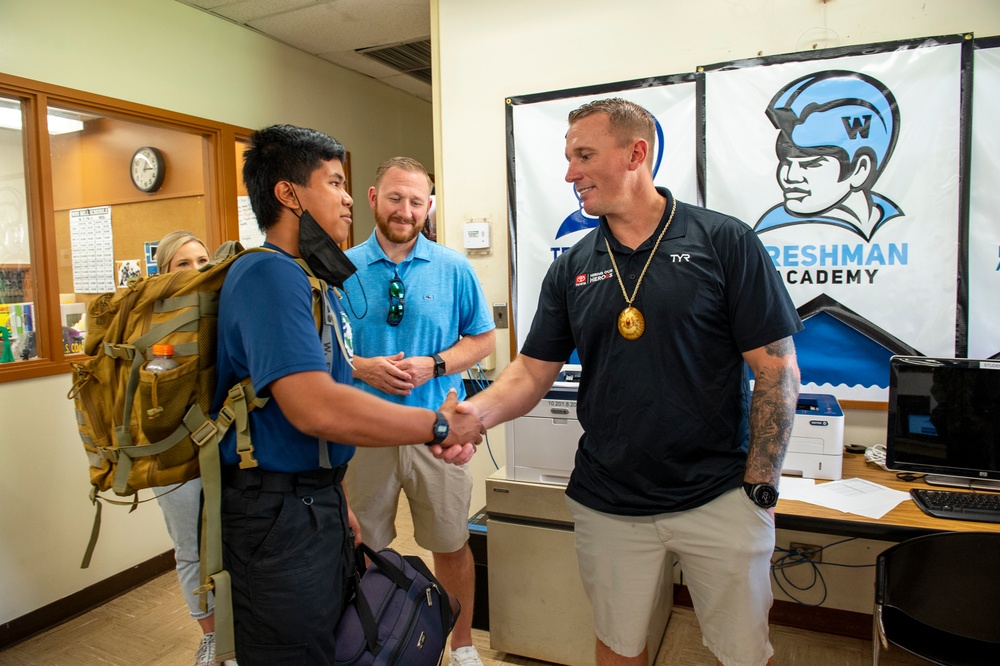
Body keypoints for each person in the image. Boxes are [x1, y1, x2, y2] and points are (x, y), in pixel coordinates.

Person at [458, 98, 802, 666]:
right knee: (618, 645)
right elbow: (530, 371)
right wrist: (476, 416)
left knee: (742, 652)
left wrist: (761, 487)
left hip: (717, 492)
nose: (570, 173)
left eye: (584, 156)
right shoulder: (571, 266)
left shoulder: (724, 241)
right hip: (609, 498)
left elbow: (776, 371)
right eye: (568, 158)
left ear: (635, 154)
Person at [213, 125, 482, 665]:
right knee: (295, 646)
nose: (343, 197)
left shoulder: (310, 276)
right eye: (334, 182)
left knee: (328, 636)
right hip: (276, 511)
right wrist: (439, 425)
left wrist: (334, 499)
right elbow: (316, 405)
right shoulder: (270, 274)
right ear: (289, 194)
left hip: (316, 495)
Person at [343, 157, 496, 666]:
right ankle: (374, 640)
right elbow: (326, 352)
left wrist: (435, 364)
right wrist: (363, 368)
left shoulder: (453, 268)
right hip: (364, 435)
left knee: (451, 545)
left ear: (429, 205)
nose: (405, 210)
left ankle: (464, 644)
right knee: (364, 547)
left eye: (416, 200)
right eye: (395, 198)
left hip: (439, 434)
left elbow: (483, 339)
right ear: (372, 198)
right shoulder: (341, 271)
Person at [149, 230, 226, 666]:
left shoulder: (222, 310)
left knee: (234, 540)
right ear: (163, 273)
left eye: (202, 260)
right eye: (184, 263)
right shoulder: (148, 321)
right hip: (175, 454)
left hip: (226, 447)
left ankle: (239, 632)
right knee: (190, 548)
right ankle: (211, 635)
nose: (197, 269)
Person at [755, 70, 903, 241]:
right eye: (786, 163)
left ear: (860, 169)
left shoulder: (898, 224)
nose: (790, 177)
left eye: (811, 164)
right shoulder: (769, 232)